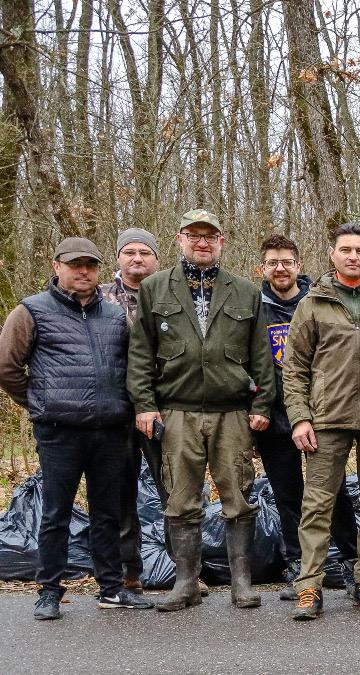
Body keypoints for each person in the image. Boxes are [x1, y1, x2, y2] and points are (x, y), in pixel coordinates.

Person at [126, 209, 275, 612]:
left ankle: (241, 583)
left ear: (221, 242)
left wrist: (262, 404)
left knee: (239, 496)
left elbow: (261, 355)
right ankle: (186, 582)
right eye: (194, 235)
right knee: (180, 498)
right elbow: (141, 354)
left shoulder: (245, 291)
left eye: (210, 236)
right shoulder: (155, 288)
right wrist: (145, 405)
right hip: (177, 410)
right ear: (180, 240)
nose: (202, 242)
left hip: (232, 413)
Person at [0, 238, 153, 619]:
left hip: (111, 431)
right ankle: (49, 592)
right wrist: (40, 402)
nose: (83, 271)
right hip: (60, 432)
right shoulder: (31, 311)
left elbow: (133, 367)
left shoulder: (115, 315)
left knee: (109, 513)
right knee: (56, 514)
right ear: (57, 267)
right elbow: (7, 367)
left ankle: (111, 588)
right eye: (75, 264)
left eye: (90, 265)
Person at [280, 224, 360, 620]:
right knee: (317, 504)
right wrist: (300, 418)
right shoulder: (313, 303)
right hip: (326, 418)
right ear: (332, 254)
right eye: (345, 249)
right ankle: (309, 587)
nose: (352, 256)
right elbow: (294, 368)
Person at [254, 234, 360, 603]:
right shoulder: (254, 309)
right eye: (273, 262)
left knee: (333, 492)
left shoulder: (317, 301)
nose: (280, 268)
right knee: (286, 494)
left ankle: (351, 562)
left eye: (287, 262)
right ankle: (298, 567)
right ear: (262, 268)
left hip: (321, 415)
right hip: (273, 418)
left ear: (299, 266)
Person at [98, 227, 162, 599]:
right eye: (130, 252)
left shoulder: (169, 295)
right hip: (115, 410)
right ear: (118, 257)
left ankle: (187, 571)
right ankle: (128, 573)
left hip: (162, 407)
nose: (137, 258)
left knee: (173, 490)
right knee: (120, 493)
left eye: (145, 253)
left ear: (156, 259)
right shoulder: (100, 299)